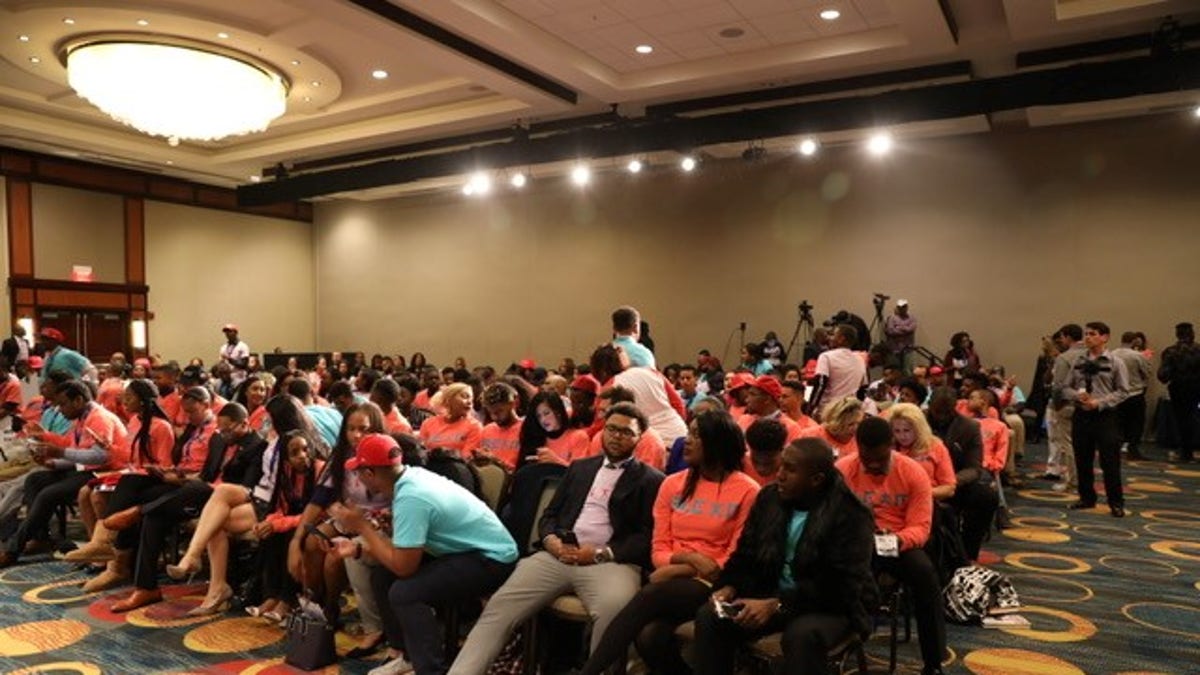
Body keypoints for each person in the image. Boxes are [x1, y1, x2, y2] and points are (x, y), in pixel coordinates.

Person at [449, 402, 665, 675]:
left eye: (626, 432)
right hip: (558, 555)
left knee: (614, 614)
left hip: (611, 563)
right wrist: (550, 538)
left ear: (639, 437)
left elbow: (646, 537)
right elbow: (550, 514)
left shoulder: (652, 480)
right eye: (611, 428)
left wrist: (600, 554)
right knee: (499, 607)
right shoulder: (581, 468)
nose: (616, 436)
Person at [575, 410, 760, 675]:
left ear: (717, 442)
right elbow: (658, 549)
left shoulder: (747, 490)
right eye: (688, 432)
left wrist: (681, 568)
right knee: (650, 638)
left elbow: (733, 557)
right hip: (670, 579)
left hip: (717, 584)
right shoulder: (672, 484)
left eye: (696, 435)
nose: (687, 440)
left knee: (650, 594)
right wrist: (689, 560)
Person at [330, 433, 518, 675]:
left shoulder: (411, 497)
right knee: (382, 577)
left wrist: (363, 528)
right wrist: (357, 548)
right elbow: (401, 553)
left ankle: (430, 669)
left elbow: (404, 566)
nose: (358, 477)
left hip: (493, 558)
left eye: (359, 471)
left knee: (405, 592)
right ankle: (407, 656)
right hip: (465, 550)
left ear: (369, 473)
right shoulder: (410, 477)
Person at [693, 437, 876, 675]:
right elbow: (745, 554)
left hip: (832, 606)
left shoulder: (850, 514)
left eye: (790, 470)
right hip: (770, 596)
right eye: (781, 466)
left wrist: (778, 604)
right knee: (710, 617)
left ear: (816, 480)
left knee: (801, 636)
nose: (779, 475)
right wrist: (729, 586)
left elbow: (839, 587)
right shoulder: (770, 498)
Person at [837, 417, 944, 675]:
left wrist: (898, 539)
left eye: (879, 459)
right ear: (857, 446)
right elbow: (832, 520)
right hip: (856, 544)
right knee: (835, 572)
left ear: (891, 446)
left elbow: (920, 527)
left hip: (898, 543)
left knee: (925, 574)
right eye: (867, 458)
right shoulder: (842, 470)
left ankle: (933, 661)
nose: (873, 464)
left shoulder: (912, 472)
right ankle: (839, 644)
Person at [1, 380, 128, 567]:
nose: (60, 410)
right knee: (34, 480)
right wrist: (53, 461)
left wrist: (59, 454)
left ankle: (13, 550)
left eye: (63, 404)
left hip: (105, 472)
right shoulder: (82, 418)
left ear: (78, 400)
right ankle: (41, 537)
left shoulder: (99, 418)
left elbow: (100, 456)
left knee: (47, 494)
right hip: (85, 469)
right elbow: (74, 450)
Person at [1063, 322, 1130, 517]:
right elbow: (1065, 387)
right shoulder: (1078, 361)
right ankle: (1086, 498)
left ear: (1105, 337)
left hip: (1105, 416)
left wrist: (1100, 403)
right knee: (1082, 459)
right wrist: (1077, 396)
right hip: (1082, 415)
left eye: (1092, 334)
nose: (1087, 337)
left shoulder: (1116, 362)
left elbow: (1124, 391)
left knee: (1110, 461)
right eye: (1086, 334)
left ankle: (1116, 502)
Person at [1047, 324, 1085, 489]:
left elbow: (1058, 386)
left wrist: (1056, 406)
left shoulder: (1065, 358)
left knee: (1068, 445)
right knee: (1084, 445)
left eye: (1062, 337)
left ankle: (1073, 480)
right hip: (1089, 404)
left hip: (1068, 405)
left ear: (1068, 337)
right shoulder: (1090, 354)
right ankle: (1083, 479)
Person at [1157, 322, 1200, 463]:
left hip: (1178, 389)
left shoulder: (1171, 351)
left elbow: (1162, 375)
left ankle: (1185, 452)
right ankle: (1192, 450)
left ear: (1177, 334)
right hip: (1196, 388)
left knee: (1181, 420)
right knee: (1194, 417)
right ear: (1192, 334)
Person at [809, 324, 867, 417]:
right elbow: (863, 389)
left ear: (841, 338)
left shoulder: (826, 356)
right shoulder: (860, 360)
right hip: (850, 410)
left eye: (833, 335)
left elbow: (820, 384)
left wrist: (810, 409)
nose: (830, 338)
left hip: (830, 411)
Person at [1111, 332, 1152, 460]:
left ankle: (1115, 449)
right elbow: (1147, 373)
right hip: (1134, 393)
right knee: (1136, 423)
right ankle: (1132, 450)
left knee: (1118, 423)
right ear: (1134, 341)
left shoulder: (1112, 354)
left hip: (1117, 394)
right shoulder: (1137, 356)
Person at [418, 382, 483, 458]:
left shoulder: (475, 426)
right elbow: (421, 452)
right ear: (449, 399)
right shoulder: (429, 423)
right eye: (465, 397)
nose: (469, 402)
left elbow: (467, 458)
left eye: (471, 399)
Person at [798, 397, 864, 459]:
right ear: (835, 422)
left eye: (858, 423)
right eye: (850, 424)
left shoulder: (859, 445)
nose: (855, 428)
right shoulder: (809, 436)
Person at [477, 382, 522, 469]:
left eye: (499, 411)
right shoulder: (487, 430)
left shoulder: (525, 429)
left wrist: (496, 461)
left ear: (513, 404)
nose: (494, 417)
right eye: (490, 412)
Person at [744, 418, 788, 486]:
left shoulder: (791, 475)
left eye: (768, 463)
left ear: (783, 451)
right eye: (755, 461)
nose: (761, 469)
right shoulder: (741, 465)